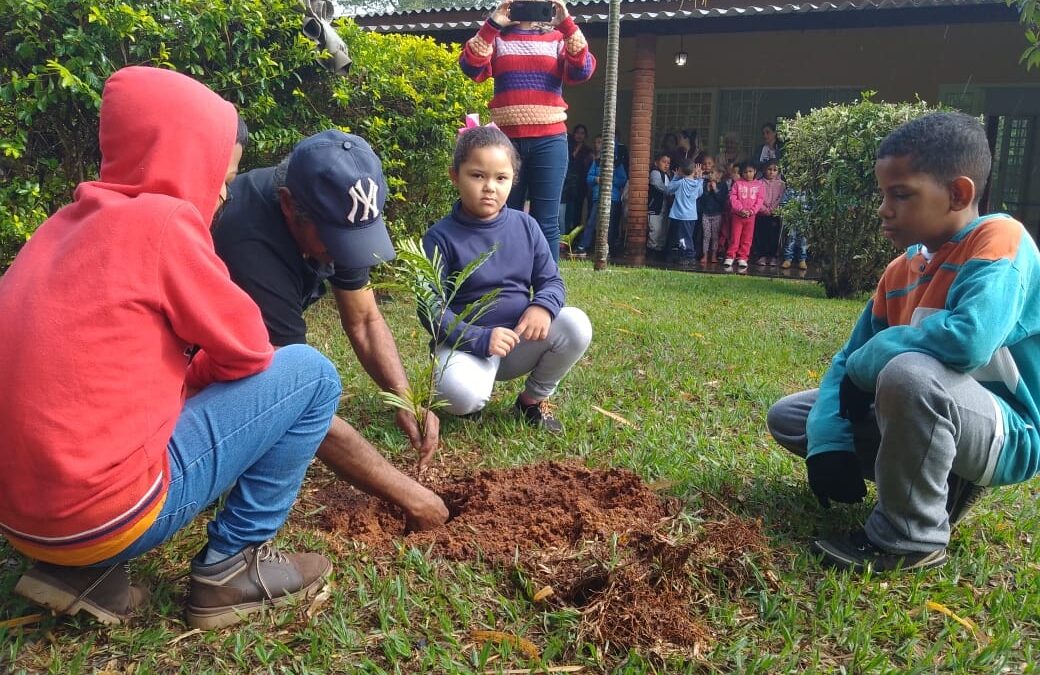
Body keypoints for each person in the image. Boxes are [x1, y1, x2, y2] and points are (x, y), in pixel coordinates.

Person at [0, 66, 339, 629]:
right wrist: (197, 375)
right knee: (311, 374)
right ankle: (232, 566)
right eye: (222, 175)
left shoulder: (59, 227)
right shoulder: (164, 220)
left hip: (23, 521)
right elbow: (250, 349)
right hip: (105, 515)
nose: (225, 193)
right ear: (185, 160)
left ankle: (80, 574)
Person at [767, 111, 1040, 572]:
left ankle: (910, 537)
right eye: (883, 195)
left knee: (907, 374)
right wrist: (829, 442)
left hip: (1006, 431)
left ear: (958, 194)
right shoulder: (900, 271)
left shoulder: (1000, 241)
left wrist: (872, 359)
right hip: (933, 409)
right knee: (793, 417)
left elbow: (969, 340)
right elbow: (848, 360)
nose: (884, 209)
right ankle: (933, 480)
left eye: (901, 194)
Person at [213, 130, 449, 533]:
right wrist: (409, 495)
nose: (344, 253)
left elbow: (365, 320)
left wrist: (405, 399)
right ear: (289, 205)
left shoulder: (339, 214)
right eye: (336, 239)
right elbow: (294, 397)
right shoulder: (248, 239)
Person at [421, 124, 592, 433]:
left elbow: (552, 281)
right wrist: (479, 338)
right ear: (454, 176)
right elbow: (430, 308)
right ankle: (471, 397)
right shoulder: (439, 237)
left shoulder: (526, 226)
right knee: (459, 396)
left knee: (575, 325)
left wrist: (542, 307)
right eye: (477, 175)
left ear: (514, 180)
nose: (490, 187)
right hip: (465, 345)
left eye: (501, 178)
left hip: (518, 340)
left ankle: (531, 400)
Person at [459, 0, 597, 262]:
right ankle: (504, 281)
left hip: (549, 141)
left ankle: (547, 285)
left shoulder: (558, 39)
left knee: (546, 221)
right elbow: (470, 66)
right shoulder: (497, 39)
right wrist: (493, 23)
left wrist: (567, 24)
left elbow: (582, 70)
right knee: (502, 216)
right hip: (504, 144)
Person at [575, 138, 628, 255]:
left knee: (611, 224)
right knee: (591, 222)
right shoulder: (597, 162)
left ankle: (607, 248)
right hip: (598, 196)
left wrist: (610, 179)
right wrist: (596, 179)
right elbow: (588, 178)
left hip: (613, 198)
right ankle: (583, 246)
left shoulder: (618, 165)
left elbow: (623, 180)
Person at [665, 158, 704, 265]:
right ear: (694, 171)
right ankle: (683, 255)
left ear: (681, 170)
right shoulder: (697, 183)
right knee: (687, 236)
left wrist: (676, 177)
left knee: (683, 237)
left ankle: (689, 256)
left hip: (680, 216)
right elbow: (699, 194)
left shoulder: (680, 183)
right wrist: (699, 178)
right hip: (691, 216)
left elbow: (668, 190)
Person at [725, 161, 763, 268]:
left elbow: (759, 200)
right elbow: (733, 197)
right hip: (738, 216)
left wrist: (751, 211)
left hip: (750, 216)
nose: (748, 174)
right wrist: (740, 209)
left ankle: (743, 257)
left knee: (747, 238)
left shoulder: (759, 185)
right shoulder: (737, 184)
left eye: (750, 171)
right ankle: (730, 256)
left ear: (755, 171)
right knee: (735, 237)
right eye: (745, 172)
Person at [562, 123, 594, 234]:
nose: (579, 135)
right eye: (577, 133)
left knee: (577, 212)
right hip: (567, 185)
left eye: (582, 133)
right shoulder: (568, 147)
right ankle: (565, 235)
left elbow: (588, 169)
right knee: (566, 212)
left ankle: (575, 236)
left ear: (585, 136)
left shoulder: (588, 151)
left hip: (580, 185)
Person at [752, 159, 785, 266]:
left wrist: (773, 209)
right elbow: (756, 198)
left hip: (775, 214)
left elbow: (780, 198)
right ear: (764, 170)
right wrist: (764, 209)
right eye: (769, 169)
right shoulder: (758, 183)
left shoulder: (781, 184)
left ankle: (773, 256)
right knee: (762, 235)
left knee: (774, 235)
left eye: (775, 170)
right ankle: (762, 255)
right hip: (762, 213)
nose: (772, 172)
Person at [699, 166, 728, 265]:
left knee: (715, 236)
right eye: (709, 173)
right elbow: (702, 200)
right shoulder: (705, 183)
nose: (710, 175)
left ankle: (714, 255)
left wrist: (715, 190)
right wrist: (707, 190)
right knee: (706, 236)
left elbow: (723, 201)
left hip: (717, 214)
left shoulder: (723, 185)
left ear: (719, 174)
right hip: (706, 214)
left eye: (712, 173)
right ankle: (705, 255)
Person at [647, 151, 672, 255]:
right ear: (656, 163)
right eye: (663, 162)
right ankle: (652, 251)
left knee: (663, 230)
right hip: (655, 207)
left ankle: (659, 250)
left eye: (668, 163)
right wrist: (671, 191)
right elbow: (658, 185)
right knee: (655, 230)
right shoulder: (655, 173)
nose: (666, 165)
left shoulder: (667, 176)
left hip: (664, 207)